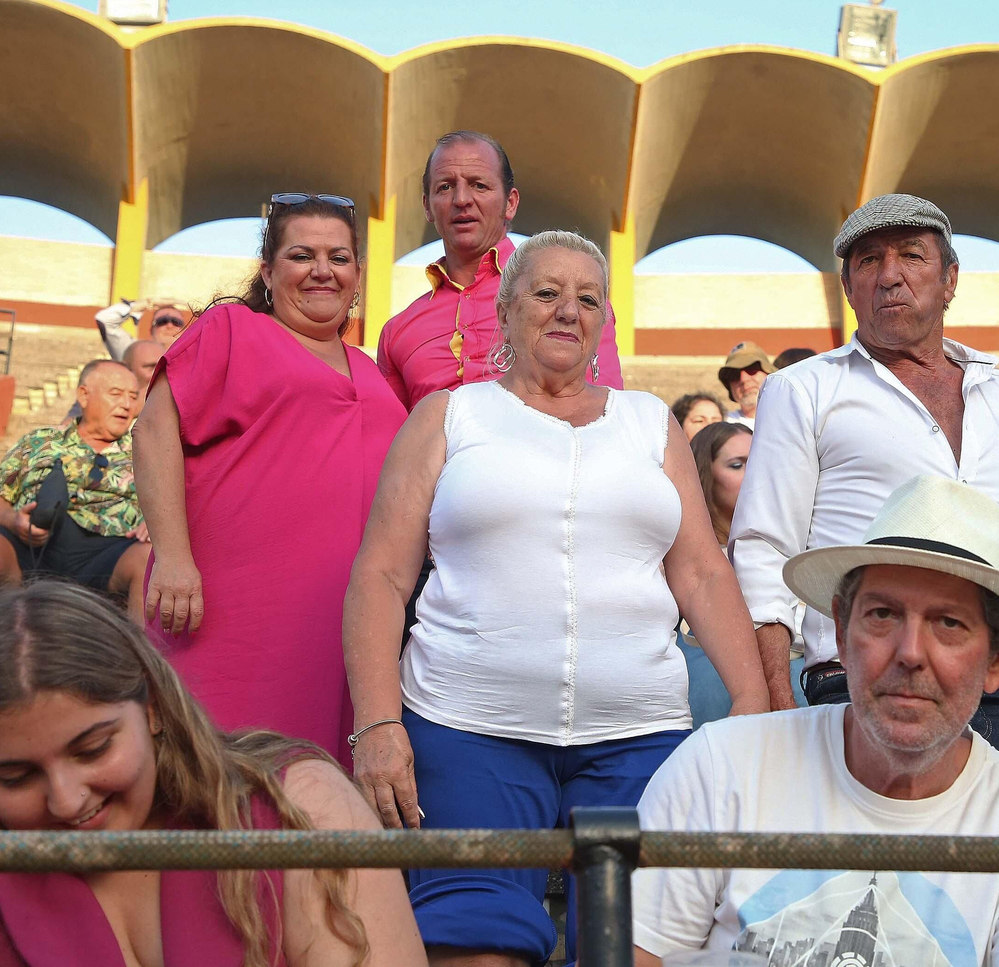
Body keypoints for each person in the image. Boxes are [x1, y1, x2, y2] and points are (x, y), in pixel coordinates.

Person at [341, 230, 768, 967]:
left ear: (604, 322)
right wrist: (377, 723)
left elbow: (701, 572)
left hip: (639, 732)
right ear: (505, 311)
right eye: (546, 293)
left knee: (632, 946)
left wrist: (751, 702)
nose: (569, 310)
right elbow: (380, 576)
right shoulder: (448, 415)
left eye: (588, 299)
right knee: (475, 943)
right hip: (467, 726)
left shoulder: (650, 423)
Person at [730, 193, 999, 802]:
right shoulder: (803, 390)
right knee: (879, 860)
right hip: (863, 685)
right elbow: (765, 550)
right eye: (868, 261)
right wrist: (775, 704)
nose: (890, 275)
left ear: (950, 279)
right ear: (848, 287)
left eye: (911, 256)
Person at [634, 476, 999, 967]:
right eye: (883, 615)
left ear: (998, 658)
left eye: (949, 623)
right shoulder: (721, 767)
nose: (910, 653)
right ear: (841, 633)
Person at [0, 582, 426, 967]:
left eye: (93, 750)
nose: (67, 800)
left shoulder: (301, 809)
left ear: (151, 707)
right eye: (15, 777)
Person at [135, 193, 407, 767]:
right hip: (231, 613)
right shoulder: (231, 329)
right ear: (267, 271)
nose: (322, 270)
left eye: (339, 257)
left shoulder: (371, 370)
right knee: (221, 772)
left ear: (358, 275)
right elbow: (154, 431)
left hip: (341, 625)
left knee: (317, 782)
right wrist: (174, 556)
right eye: (301, 255)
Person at [377, 130, 623, 411]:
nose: (461, 199)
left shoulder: (572, 304)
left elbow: (606, 414)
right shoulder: (399, 332)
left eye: (479, 185)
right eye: (445, 187)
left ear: (510, 203)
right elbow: (393, 433)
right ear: (427, 207)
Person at [0, 360, 149, 644]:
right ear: (84, 395)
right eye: (116, 394)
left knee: (149, 558)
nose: (126, 405)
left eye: (133, 396)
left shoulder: (146, 450)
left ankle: (143, 668)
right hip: (32, 548)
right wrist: (14, 521)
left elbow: (179, 504)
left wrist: (155, 524)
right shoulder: (39, 441)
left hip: (109, 555)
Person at [678, 422, 807, 725]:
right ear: (704, 476)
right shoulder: (681, 562)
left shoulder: (803, 547)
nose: (755, 475)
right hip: (712, 686)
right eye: (738, 465)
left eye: (761, 463)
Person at [64, 339, 164, 424]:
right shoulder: (98, 394)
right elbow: (68, 429)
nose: (158, 374)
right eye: (150, 367)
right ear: (127, 368)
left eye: (163, 368)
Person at [93, 299, 189, 362]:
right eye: (162, 321)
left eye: (176, 322)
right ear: (152, 330)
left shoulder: (193, 358)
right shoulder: (135, 353)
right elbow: (104, 318)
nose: (169, 325)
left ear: (184, 330)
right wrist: (150, 302)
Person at [718, 341, 774, 423]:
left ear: (769, 373)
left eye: (751, 369)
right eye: (734, 374)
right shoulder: (721, 424)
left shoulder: (791, 417)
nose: (743, 379)